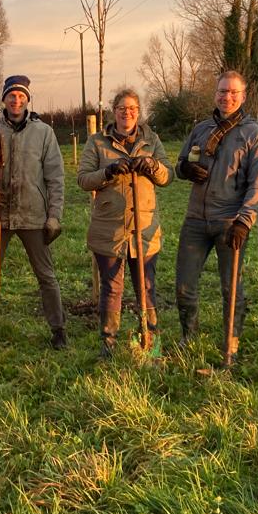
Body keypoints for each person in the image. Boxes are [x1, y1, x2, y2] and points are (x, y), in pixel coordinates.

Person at [0, 75, 68, 349]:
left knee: (46, 275)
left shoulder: (43, 133)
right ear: (4, 99)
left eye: (21, 96)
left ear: (27, 99)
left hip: (33, 215)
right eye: (11, 95)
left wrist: (54, 215)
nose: (16, 100)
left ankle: (58, 329)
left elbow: (55, 177)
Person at [174, 71, 258, 356]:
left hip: (230, 221)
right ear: (214, 93)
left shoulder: (255, 135)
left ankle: (232, 339)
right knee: (184, 285)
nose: (226, 97)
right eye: (221, 91)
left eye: (232, 92)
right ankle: (188, 336)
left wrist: (244, 220)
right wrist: (186, 169)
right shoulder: (201, 129)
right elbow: (181, 164)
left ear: (243, 96)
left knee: (231, 287)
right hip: (195, 219)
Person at [78, 88, 172, 358]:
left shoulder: (151, 140)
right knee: (112, 287)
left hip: (144, 229)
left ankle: (149, 339)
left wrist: (153, 166)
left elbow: (168, 176)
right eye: (121, 108)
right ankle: (108, 343)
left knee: (146, 286)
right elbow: (84, 178)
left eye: (132, 108)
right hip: (110, 229)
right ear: (114, 111)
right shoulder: (97, 142)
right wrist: (107, 172)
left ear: (138, 112)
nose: (127, 112)